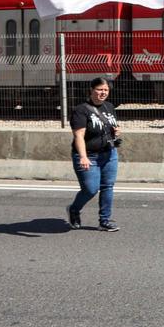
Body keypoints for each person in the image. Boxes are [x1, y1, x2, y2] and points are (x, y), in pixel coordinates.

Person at [66, 77, 121, 232]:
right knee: (90, 189)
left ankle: (105, 220)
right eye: (99, 89)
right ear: (91, 90)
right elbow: (79, 136)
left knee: (107, 186)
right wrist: (83, 156)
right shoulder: (81, 110)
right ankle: (74, 209)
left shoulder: (109, 107)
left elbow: (109, 126)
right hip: (88, 155)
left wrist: (115, 131)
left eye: (106, 90)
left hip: (109, 154)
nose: (102, 93)